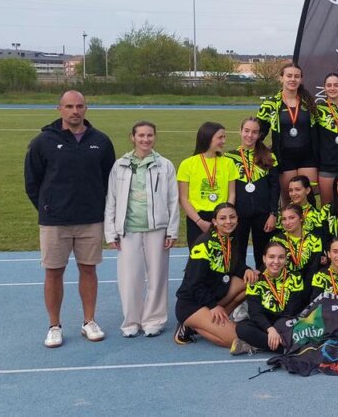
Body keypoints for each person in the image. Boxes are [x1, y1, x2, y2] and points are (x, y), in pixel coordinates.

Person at [104, 120, 177, 338]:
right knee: (129, 278)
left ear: (155, 137)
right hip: (128, 230)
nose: (145, 139)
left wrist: (172, 230)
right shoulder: (120, 165)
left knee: (157, 276)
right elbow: (112, 199)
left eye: (149, 136)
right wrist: (111, 231)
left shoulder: (165, 165)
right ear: (132, 137)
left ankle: (154, 319)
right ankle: (132, 320)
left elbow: (173, 200)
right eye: (141, 136)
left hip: (157, 229)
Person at [173, 203, 253, 347]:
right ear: (214, 221)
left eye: (232, 217)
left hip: (213, 294)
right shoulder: (203, 245)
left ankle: (208, 323)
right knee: (234, 339)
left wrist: (247, 270)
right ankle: (191, 324)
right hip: (192, 304)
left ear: (237, 219)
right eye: (223, 218)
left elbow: (236, 266)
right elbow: (193, 283)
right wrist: (213, 306)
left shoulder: (230, 240)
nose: (228, 221)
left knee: (251, 283)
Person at [256, 63, 319, 203]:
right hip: (284, 159)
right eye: (289, 75)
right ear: (281, 78)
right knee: (289, 200)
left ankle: (310, 225)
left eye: (297, 76)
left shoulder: (308, 103)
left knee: (308, 200)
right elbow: (258, 133)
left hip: (307, 158)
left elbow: (316, 132)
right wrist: (260, 152)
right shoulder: (270, 104)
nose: (293, 79)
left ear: (301, 79)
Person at [232, 242, 308, 355]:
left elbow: (292, 310)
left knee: (308, 326)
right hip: (265, 325)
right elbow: (255, 312)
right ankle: (286, 348)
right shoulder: (255, 280)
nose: (276, 262)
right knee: (242, 329)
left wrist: (277, 329)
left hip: (287, 323)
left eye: (281, 257)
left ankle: (259, 344)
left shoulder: (295, 278)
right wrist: (270, 329)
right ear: (264, 258)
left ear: (286, 260)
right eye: (271, 257)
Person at [226, 118, 281, 268]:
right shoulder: (229, 158)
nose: (250, 135)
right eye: (247, 131)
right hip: (239, 214)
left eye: (254, 132)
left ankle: (264, 285)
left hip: (263, 214)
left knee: (262, 253)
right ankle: (241, 285)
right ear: (240, 131)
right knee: (238, 254)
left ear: (259, 135)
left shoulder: (270, 157)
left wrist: (273, 214)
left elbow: (275, 188)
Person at [177, 122, 241, 243]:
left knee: (224, 257)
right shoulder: (187, 164)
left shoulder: (228, 163)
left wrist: (225, 216)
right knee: (199, 259)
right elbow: (183, 198)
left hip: (222, 219)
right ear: (208, 138)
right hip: (197, 219)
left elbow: (231, 194)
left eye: (224, 137)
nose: (224, 141)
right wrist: (199, 222)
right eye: (220, 137)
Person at [274, 203, 323, 284]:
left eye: (292, 218)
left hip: (308, 283)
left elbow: (313, 269)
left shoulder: (314, 239)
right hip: (284, 285)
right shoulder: (277, 240)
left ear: (301, 218)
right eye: (284, 219)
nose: (287, 222)